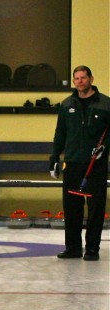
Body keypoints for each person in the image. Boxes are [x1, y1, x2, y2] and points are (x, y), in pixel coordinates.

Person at [50, 65, 110, 261]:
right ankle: (73, 248)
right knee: (72, 207)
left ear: (91, 79)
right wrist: (54, 158)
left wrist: (104, 148)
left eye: (83, 77)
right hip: (73, 163)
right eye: (76, 78)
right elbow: (60, 134)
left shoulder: (106, 104)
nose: (80, 81)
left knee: (95, 208)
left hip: (96, 165)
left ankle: (92, 248)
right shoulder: (67, 105)